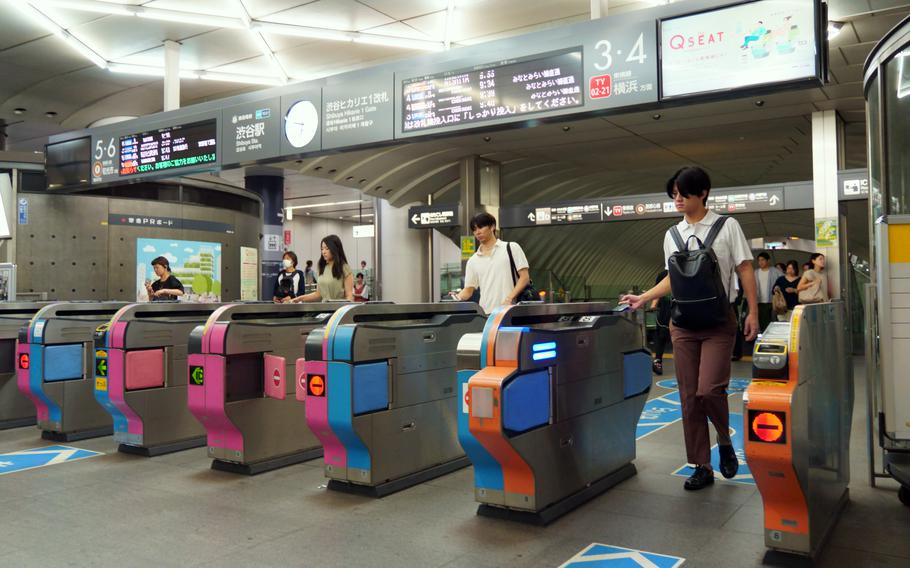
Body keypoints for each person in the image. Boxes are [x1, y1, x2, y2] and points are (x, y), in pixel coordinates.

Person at [621, 166, 758, 491]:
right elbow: (674, 278)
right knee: (688, 397)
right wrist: (643, 297)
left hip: (718, 322)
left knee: (709, 390)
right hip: (682, 323)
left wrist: (753, 311)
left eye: (683, 193)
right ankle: (701, 464)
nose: (677, 199)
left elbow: (745, 268)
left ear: (703, 194)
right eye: (674, 194)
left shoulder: (727, 226)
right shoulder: (672, 234)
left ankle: (723, 439)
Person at [451, 212, 530, 314]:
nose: (477, 232)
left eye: (481, 227)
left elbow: (524, 277)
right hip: (486, 314)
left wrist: (510, 298)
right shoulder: (473, 260)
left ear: (492, 226)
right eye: (474, 229)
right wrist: (455, 297)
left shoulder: (511, 248)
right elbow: (468, 291)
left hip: (510, 311)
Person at [292, 235, 354, 302]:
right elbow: (318, 294)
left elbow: (349, 296)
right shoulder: (322, 268)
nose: (323, 252)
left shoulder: (345, 268)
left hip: (339, 310)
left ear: (335, 249)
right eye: (322, 249)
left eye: (327, 249)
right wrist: (300, 298)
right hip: (324, 308)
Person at [649, 269, 672, 375]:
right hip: (665, 309)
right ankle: (658, 361)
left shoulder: (689, 270)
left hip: (681, 307)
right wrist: (654, 304)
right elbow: (657, 291)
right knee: (661, 335)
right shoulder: (663, 274)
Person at [754, 252, 783, 333]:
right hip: (760, 301)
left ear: (768, 261)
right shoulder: (755, 273)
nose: (760, 262)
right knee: (762, 321)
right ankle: (763, 337)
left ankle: (773, 338)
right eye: (759, 260)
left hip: (773, 301)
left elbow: (783, 282)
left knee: (773, 321)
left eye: (763, 260)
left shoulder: (776, 272)